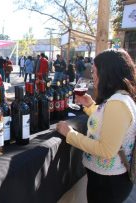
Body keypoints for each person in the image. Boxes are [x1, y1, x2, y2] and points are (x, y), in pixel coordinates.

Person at [56, 49, 136, 203]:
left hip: (108, 183)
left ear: (107, 74)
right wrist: (90, 105)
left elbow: (106, 150)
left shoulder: (117, 103)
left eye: (94, 71)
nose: (92, 76)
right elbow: (108, 124)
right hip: (108, 179)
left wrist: (70, 134)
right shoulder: (119, 98)